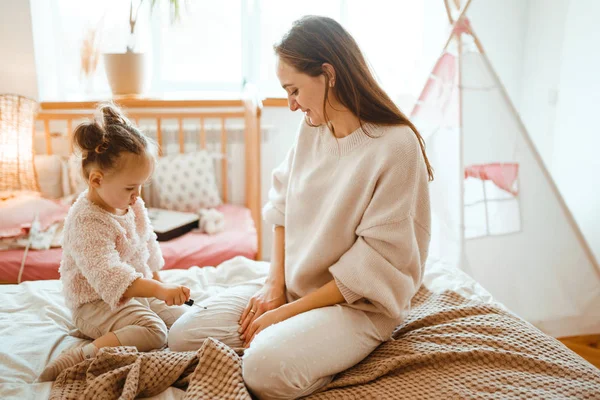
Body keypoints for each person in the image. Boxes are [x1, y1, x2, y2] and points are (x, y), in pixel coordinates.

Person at [168, 15, 433, 399]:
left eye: (294, 90)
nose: (291, 105)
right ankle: (291, 344)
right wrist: (274, 286)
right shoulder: (312, 128)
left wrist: (282, 317)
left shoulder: (396, 147)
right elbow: (281, 206)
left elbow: (373, 265)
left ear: (328, 73)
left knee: (262, 368)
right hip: (293, 290)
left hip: (358, 306)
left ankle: (310, 362)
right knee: (182, 337)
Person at [38, 104, 190, 381]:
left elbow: (147, 246)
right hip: (94, 304)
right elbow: (110, 275)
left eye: (141, 186)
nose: (137, 195)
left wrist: (160, 285)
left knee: (184, 323)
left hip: (133, 292)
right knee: (155, 332)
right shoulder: (87, 220)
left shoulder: (133, 205)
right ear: (96, 179)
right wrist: (157, 290)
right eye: (130, 187)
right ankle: (80, 356)